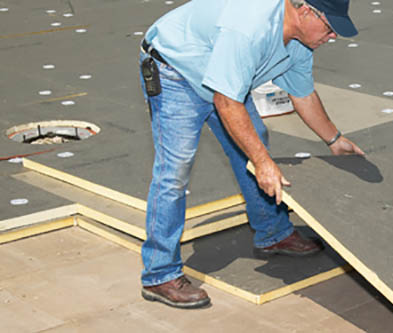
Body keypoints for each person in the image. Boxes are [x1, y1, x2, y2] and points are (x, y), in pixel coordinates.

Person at [137, 0, 364, 309]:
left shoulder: (299, 42)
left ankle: (273, 233)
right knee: (173, 173)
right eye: (330, 26)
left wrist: (334, 140)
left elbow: (303, 94)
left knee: (256, 141)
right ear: (305, 10)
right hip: (174, 69)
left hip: (221, 76)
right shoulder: (249, 28)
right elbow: (227, 101)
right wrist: (262, 162)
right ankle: (159, 274)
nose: (332, 36)